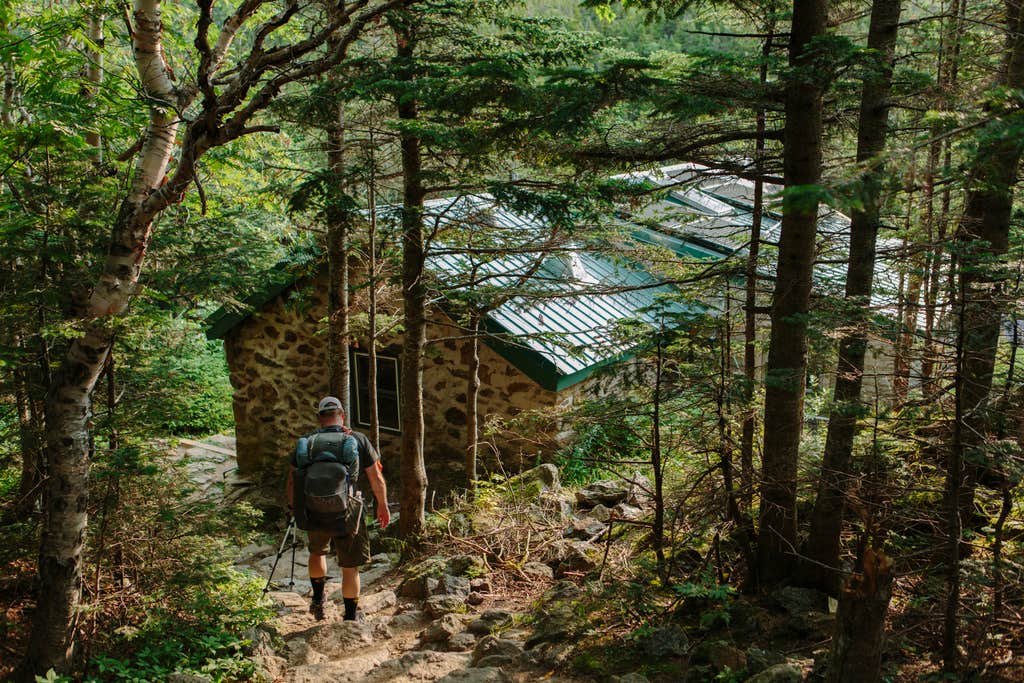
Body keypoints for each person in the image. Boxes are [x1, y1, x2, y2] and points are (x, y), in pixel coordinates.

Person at [286, 396, 390, 621]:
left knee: (317, 552)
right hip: (348, 510)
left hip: (313, 509)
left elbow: (293, 480)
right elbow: (376, 478)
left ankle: (318, 600)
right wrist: (382, 505)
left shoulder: (307, 442)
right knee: (350, 565)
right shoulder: (357, 439)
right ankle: (351, 616)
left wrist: (294, 507)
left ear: (320, 418)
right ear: (342, 415)